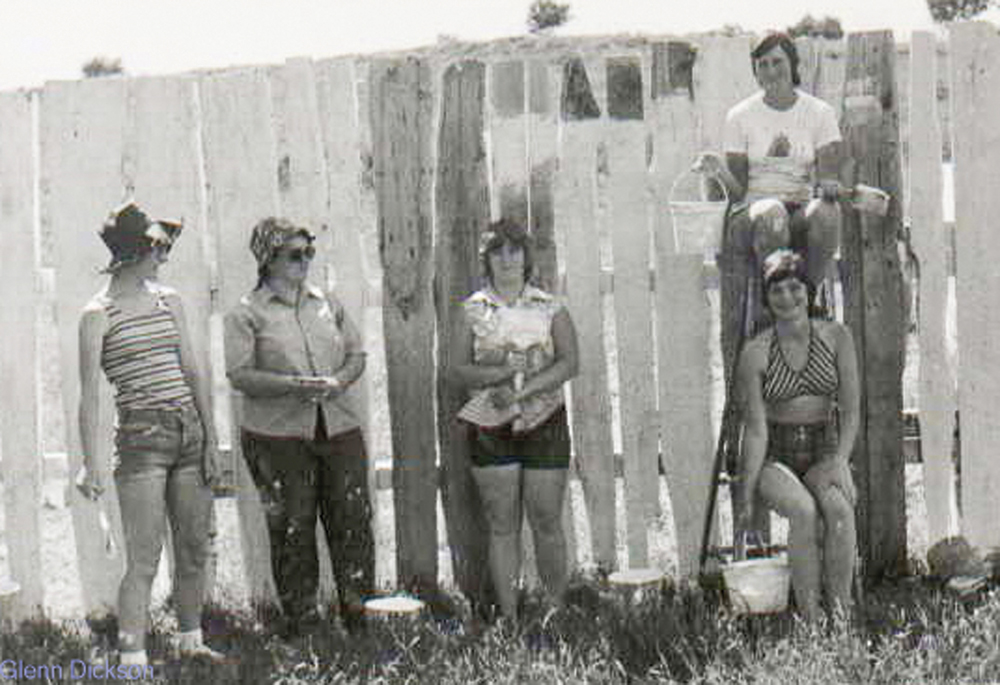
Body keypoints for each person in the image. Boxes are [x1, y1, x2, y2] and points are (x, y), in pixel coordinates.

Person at [76, 201, 225, 665]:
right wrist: (90, 461)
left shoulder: (170, 300)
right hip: (141, 439)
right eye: (158, 246)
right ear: (133, 253)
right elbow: (91, 396)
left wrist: (210, 435)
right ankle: (132, 659)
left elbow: (193, 371)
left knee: (194, 549)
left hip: (188, 432)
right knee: (144, 559)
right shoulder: (97, 313)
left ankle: (191, 642)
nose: (164, 255)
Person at [224, 217, 374, 636]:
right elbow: (239, 375)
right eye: (294, 254)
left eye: (309, 252)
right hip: (278, 437)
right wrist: (293, 386)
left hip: (338, 426)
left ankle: (359, 617)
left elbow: (357, 353)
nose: (305, 260)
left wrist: (338, 381)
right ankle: (304, 626)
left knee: (352, 521)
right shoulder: (246, 313)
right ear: (268, 259)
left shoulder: (327, 302)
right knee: (293, 527)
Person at [450, 218, 579, 621]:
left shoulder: (549, 306)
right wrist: (500, 372)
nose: (507, 259)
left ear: (526, 257)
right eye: (498, 252)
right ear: (486, 259)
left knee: (546, 519)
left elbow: (570, 363)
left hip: (545, 420)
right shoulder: (472, 310)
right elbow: (457, 370)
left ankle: (556, 611)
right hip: (491, 425)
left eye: (515, 250)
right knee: (502, 523)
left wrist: (522, 390)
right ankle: (509, 618)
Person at [695, 31, 845, 367]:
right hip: (755, 210)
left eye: (777, 61)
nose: (770, 70)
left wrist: (829, 186)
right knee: (772, 212)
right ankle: (772, 310)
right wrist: (718, 169)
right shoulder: (740, 116)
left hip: (801, 206)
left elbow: (828, 175)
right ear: (756, 71)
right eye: (762, 64)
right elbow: (737, 193)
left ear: (793, 65)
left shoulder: (818, 113)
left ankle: (804, 300)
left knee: (827, 214)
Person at [737, 249, 859, 620]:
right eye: (777, 291)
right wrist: (745, 495)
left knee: (839, 512)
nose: (787, 298)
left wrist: (839, 461)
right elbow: (756, 430)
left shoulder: (837, 337)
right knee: (803, 511)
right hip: (776, 451)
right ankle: (810, 616)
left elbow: (852, 409)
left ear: (810, 292)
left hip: (824, 447)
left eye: (795, 289)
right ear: (766, 298)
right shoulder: (755, 353)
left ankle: (841, 614)